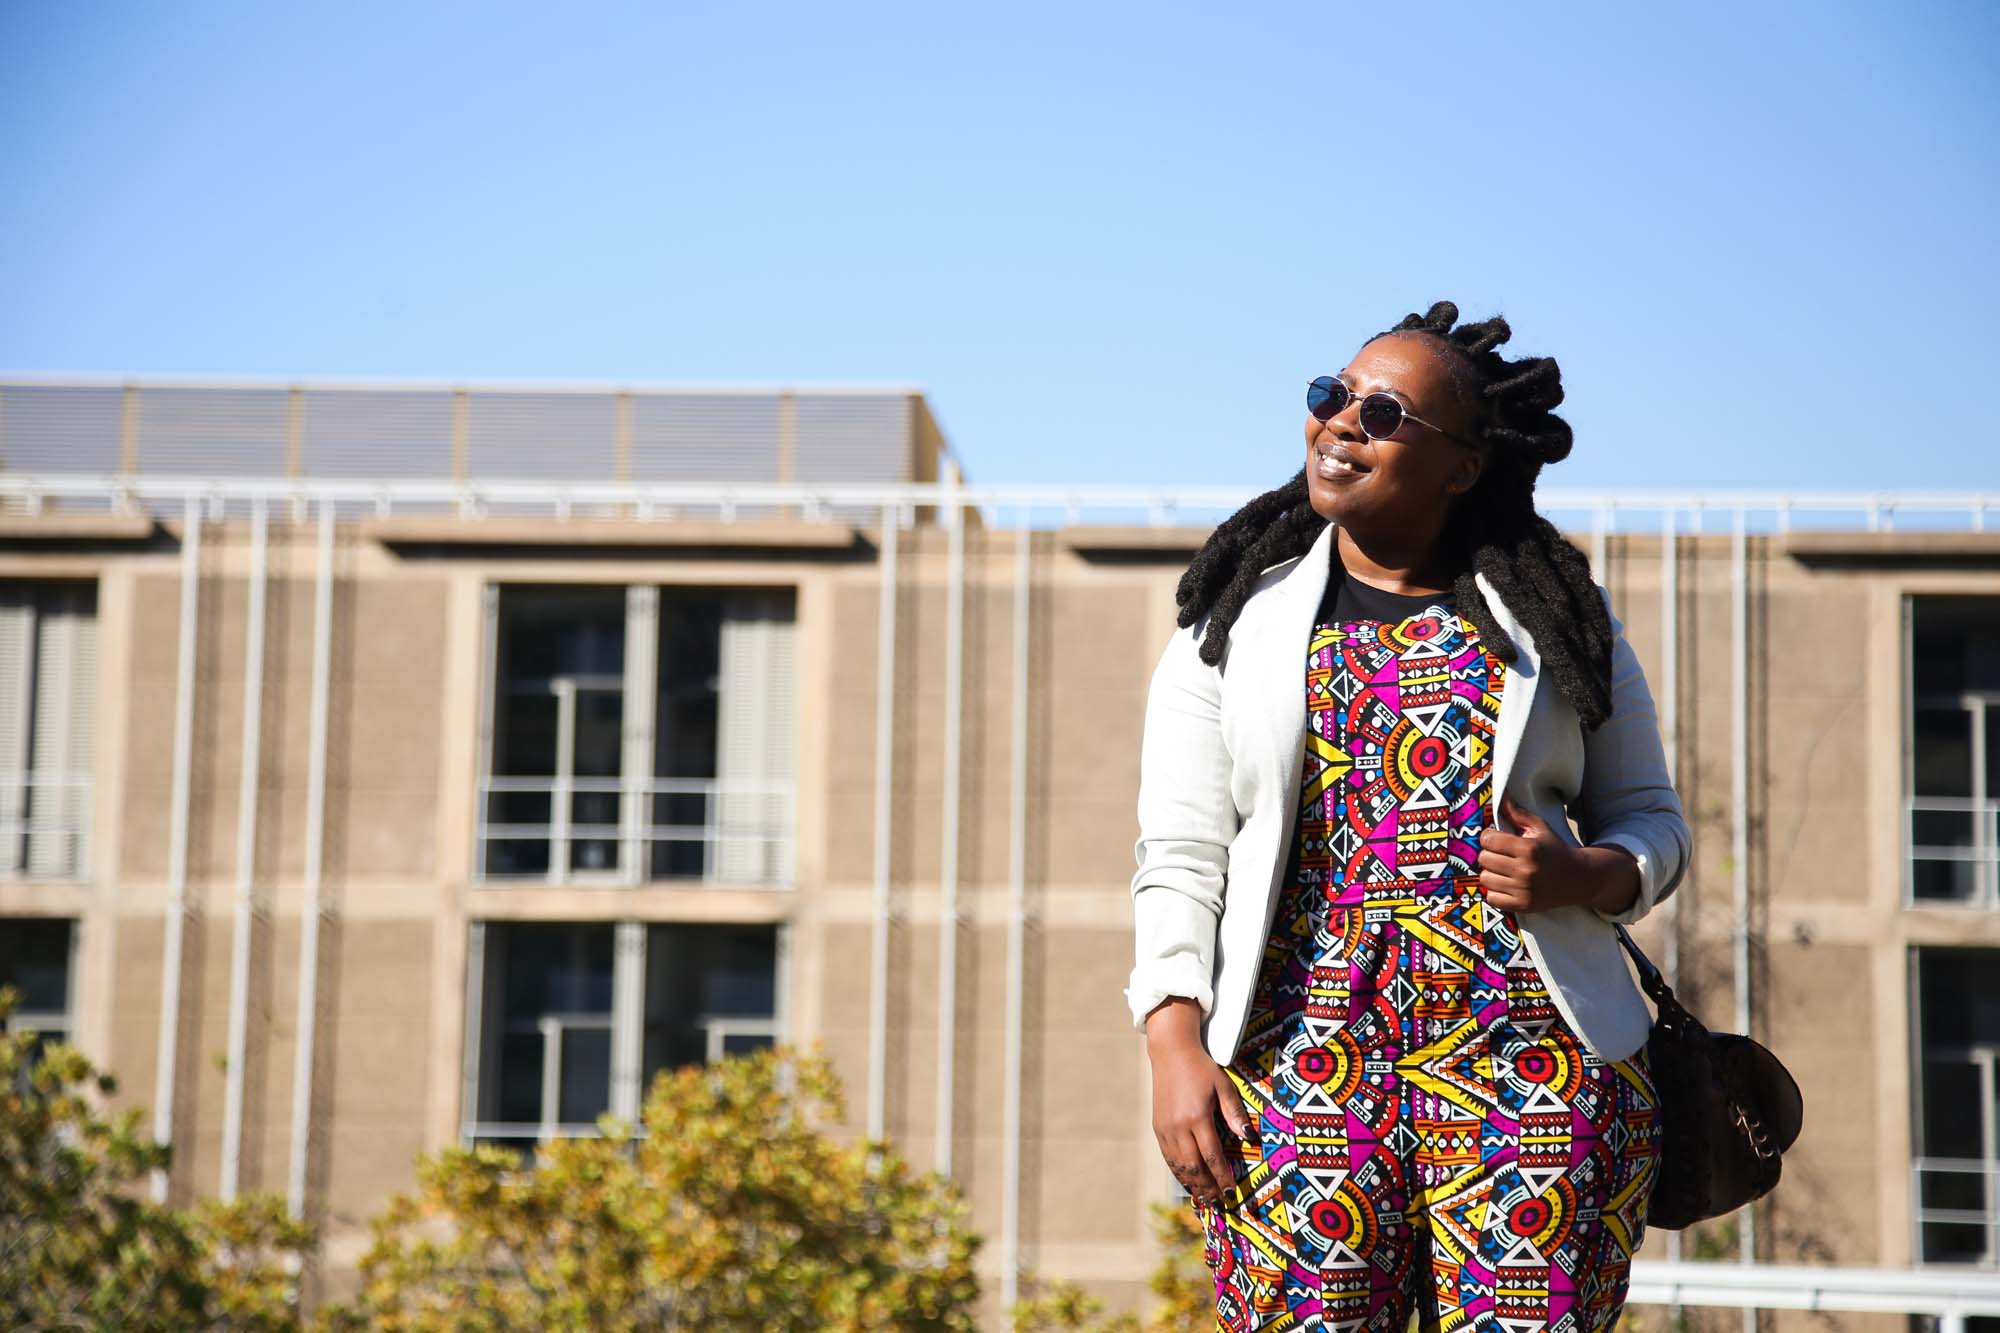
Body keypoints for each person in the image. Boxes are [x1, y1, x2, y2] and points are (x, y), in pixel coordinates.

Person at [1125, 301, 1690, 1332]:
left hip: (1534, 1068)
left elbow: (1652, 821)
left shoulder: (1556, 618)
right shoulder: (1231, 626)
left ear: (1463, 465)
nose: (1340, 423)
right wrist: (1172, 1043)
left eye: (1382, 412)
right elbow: (1178, 855)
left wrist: (1583, 875)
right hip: (1299, 1074)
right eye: (1328, 397)